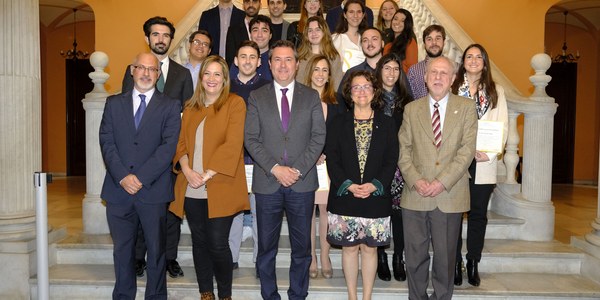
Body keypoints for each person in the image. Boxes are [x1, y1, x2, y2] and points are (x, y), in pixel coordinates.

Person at [244, 40, 326, 300]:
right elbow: (251, 139)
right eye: (277, 59)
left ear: (297, 64)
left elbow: (318, 138)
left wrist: (297, 170)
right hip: (267, 183)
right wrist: (276, 169)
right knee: (266, 248)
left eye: (288, 59)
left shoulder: (311, 96)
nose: (282, 64)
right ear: (269, 65)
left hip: (302, 185)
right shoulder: (257, 97)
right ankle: (270, 295)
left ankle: (298, 295)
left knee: (302, 249)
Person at [100, 52, 181, 299]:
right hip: (118, 190)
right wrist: (123, 176)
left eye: (152, 69)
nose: (146, 73)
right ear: (132, 70)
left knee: (156, 252)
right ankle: (123, 295)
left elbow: (168, 147)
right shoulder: (113, 103)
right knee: (122, 251)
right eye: (141, 68)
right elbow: (106, 142)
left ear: (158, 75)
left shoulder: (170, 106)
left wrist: (140, 178)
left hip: (153, 191)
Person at [169, 55, 249, 300]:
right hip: (192, 185)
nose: (212, 79)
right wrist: (188, 170)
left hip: (221, 184)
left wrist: (205, 175)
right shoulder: (190, 107)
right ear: (200, 77)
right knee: (199, 243)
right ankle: (206, 293)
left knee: (218, 243)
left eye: (217, 74)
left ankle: (225, 294)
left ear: (225, 79)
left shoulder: (235, 104)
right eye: (207, 73)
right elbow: (180, 143)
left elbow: (233, 144)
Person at [398, 56, 477, 300]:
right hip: (415, 194)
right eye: (433, 72)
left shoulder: (466, 108)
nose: (438, 77)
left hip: (449, 194)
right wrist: (416, 180)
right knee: (414, 257)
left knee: (445, 258)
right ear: (425, 77)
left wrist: (441, 182)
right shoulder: (411, 109)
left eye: (444, 73)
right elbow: (404, 151)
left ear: (453, 79)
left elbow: (466, 151)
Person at [120, 16, 193, 279]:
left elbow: (187, 117)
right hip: (139, 159)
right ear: (147, 38)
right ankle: (139, 258)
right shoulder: (134, 71)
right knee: (139, 209)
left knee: (171, 212)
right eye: (156, 34)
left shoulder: (183, 74)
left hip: (170, 156)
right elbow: (126, 115)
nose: (161, 39)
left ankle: (169, 257)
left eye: (165, 35)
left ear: (171, 40)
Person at [326, 70, 398, 300]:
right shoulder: (338, 122)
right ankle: (351, 295)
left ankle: (366, 296)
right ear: (349, 92)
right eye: (356, 87)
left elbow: (391, 159)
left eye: (366, 86)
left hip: (375, 197)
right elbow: (333, 158)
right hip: (345, 195)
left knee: (369, 248)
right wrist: (348, 185)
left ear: (375, 90)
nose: (361, 91)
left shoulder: (387, 123)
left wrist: (374, 185)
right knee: (349, 248)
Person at [451, 44, 508, 287]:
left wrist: (491, 152)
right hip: (456, 162)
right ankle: (454, 262)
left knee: (477, 215)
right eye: (469, 56)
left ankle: (473, 261)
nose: (473, 60)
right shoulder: (453, 87)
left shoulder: (496, 90)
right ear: (463, 61)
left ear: (485, 62)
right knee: (453, 214)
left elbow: (503, 125)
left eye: (478, 57)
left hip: (484, 161)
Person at [301, 55, 346, 279]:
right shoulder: (299, 99)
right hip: (306, 165)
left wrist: (325, 153)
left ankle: (326, 255)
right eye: (316, 69)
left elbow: (341, 135)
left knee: (326, 213)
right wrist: (312, 155)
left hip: (330, 166)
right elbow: (295, 134)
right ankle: (311, 258)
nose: (320, 74)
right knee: (307, 213)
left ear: (330, 75)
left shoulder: (338, 101)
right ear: (309, 72)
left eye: (325, 70)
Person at [229, 40, 270, 273]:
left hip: (259, 160)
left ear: (259, 61)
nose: (247, 61)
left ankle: (259, 260)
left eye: (252, 57)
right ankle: (231, 257)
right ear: (236, 61)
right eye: (242, 56)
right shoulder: (225, 88)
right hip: (233, 158)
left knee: (260, 212)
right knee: (234, 210)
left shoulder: (267, 87)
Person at [374, 53, 414, 282]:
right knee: (380, 213)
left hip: (400, 167)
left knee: (399, 216)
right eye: (387, 68)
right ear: (379, 71)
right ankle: (380, 257)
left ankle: (399, 257)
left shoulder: (408, 102)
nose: (391, 73)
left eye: (395, 69)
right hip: (377, 166)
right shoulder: (370, 99)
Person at [296, 16, 343, 91]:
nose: (314, 33)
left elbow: (336, 86)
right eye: (310, 30)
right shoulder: (299, 57)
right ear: (306, 34)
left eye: (318, 30)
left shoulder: (333, 57)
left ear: (324, 32)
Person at [229, 15, 274, 81]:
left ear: (270, 35)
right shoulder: (240, 60)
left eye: (264, 30)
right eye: (255, 30)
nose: (259, 35)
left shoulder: (276, 60)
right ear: (250, 35)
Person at [407, 24, 446, 99]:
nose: (434, 43)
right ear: (424, 44)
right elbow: (410, 101)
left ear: (444, 42)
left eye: (438, 38)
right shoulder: (414, 71)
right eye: (429, 39)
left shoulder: (454, 69)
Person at [332, 0, 368, 72]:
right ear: (345, 15)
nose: (355, 15)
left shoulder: (367, 39)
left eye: (359, 12)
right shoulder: (335, 39)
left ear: (363, 15)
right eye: (351, 12)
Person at [225, 0, 262, 66]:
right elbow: (230, 60)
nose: (251, 5)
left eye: (254, 1)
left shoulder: (267, 28)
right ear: (243, 5)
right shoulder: (233, 30)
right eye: (247, 2)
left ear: (260, 5)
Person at [383, 9, 418, 73]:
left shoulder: (410, 42)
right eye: (395, 19)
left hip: (403, 81)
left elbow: (413, 69)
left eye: (402, 21)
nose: (397, 22)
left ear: (407, 24)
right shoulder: (387, 45)